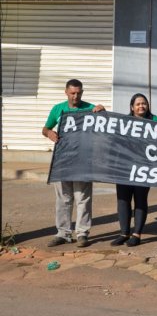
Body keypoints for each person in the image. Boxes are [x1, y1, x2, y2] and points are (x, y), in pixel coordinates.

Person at [42, 79, 105, 248]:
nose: (75, 96)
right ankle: (63, 233)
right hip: (62, 160)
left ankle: (82, 233)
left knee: (82, 198)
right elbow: (45, 128)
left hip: (83, 160)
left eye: (78, 93)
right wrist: (50, 133)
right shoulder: (58, 109)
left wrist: (103, 112)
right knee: (63, 198)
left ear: (82, 92)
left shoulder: (90, 109)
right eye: (72, 93)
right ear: (66, 92)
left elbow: (106, 126)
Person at [111, 94, 157, 247]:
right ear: (132, 107)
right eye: (138, 104)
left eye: (144, 103)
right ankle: (124, 233)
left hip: (144, 168)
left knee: (140, 199)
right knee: (123, 200)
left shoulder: (155, 121)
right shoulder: (124, 122)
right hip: (124, 168)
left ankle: (137, 234)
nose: (141, 106)